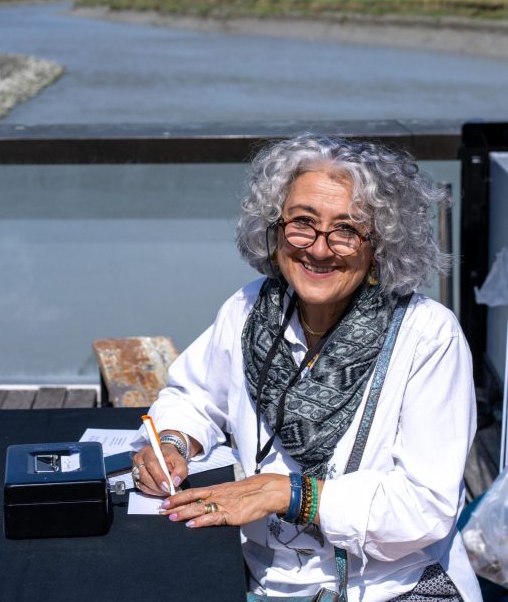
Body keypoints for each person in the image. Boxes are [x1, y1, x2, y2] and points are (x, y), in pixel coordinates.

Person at [131, 134, 481, 602]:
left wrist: (292, 494)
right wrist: (173, 442)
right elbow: (194, 397)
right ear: (274, 230)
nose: (318, 249)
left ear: (381, 244)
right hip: (256, 578)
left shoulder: (427, 336)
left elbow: (426, 506)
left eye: (347, 230)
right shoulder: (249, 309)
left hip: (388, 587)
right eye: (302, 223)